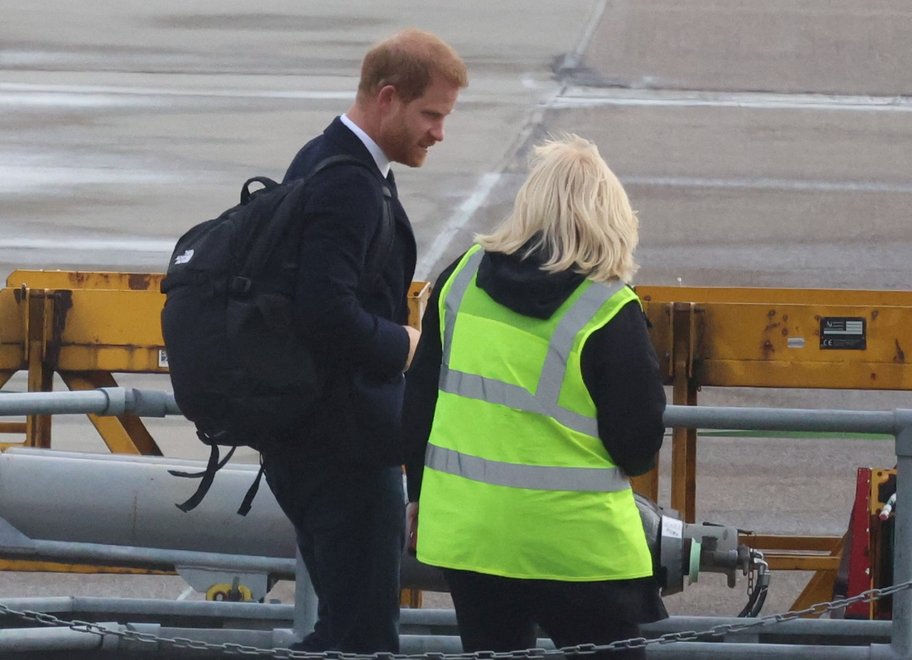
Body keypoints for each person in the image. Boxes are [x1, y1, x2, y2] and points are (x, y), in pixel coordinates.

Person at [403, 134, 668, 658]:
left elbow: (420, 405)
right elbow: (637, 446)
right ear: (610, 216)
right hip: (574, 546)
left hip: (471, 536)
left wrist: (417, 498)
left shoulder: (460, 279)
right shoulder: (607, 307)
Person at [259, 29, 467, 654]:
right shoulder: (348, 183)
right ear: (386, 98)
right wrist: (406, 343)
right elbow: (325, 314)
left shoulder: (320, 159)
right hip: (342, 448)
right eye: (431, 114)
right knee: (364, 640)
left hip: (311, 437)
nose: (439, 133)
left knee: (341, 632)